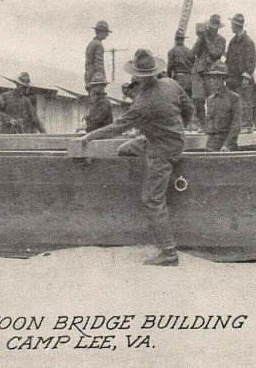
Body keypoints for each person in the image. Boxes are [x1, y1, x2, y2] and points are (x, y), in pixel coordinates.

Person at [77, 49, 193, 266]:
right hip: (169, 140)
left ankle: (169, 253)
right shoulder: (170, 84)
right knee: (125, 149)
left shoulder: (144, 102)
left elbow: (117, 127)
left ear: (140, 76)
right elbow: (189, 109)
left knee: (152, 199)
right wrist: (175, 130)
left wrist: (89, 136)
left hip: (162, 150)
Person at [191, 14, 226, 131]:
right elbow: (193, 52)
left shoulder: (221, 40)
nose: (212, 29)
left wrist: (205, 39)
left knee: (213, 99)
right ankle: (203, 124)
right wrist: (200, 38)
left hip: (212, 72)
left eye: (215, 27)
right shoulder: (203, 37)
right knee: (197, 98)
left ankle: (213, 124)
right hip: (199, 70)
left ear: (218, 28)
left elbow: (216, 54)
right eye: (211, 27)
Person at [225, 13, 256, 134]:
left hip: (242, 78)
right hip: (232, 78)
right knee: (232, 103)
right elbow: (229, 58)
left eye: (232, 24)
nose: (231, 27)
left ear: (236, 25)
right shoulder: (233, 41)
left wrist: (246, 77)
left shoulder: (248, 42)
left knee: (245, 102)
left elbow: (251, 60)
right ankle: (236, 125)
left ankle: (247, 126)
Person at [203, 62, 242, 152]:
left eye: (218, 78)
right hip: (211, 145)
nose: (214, 81)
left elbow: (236, 124)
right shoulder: (210, 99)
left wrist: (226, 145)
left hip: (227, 145)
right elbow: (209, 123)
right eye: (212, 78)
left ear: (224, 79)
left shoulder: (234, 97)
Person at [166, 28, 194, 101]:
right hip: (190, 81)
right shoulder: (190, 52)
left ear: (175, 39)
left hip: (179, 80)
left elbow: (169, 68)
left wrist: (168, 80)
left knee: (178, 103)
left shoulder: (172, 51)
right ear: (183, 39)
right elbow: (193, 65)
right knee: (189, 103)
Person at [85, 20, 110, 90]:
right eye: (106, 32)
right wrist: (103, 79)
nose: (107, 34)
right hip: (96, 80)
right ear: (100, 32)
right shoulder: (99, 45)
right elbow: (99, 64)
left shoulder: (91, 43)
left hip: (89, 78)